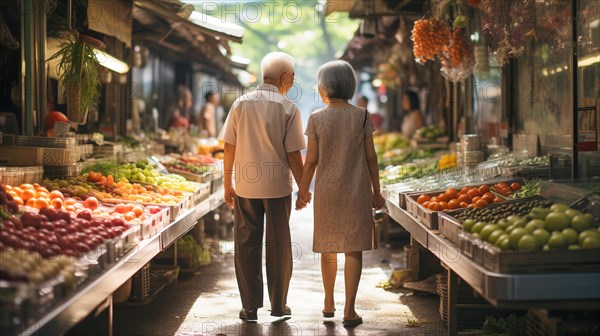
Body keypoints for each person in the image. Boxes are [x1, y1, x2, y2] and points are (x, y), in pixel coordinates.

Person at [296, 60, 385, 328]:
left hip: (327, 193)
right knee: (353, 249)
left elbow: (310, 161)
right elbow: (371, 157)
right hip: (357, 191)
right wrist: (376, 192)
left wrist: (302, 191)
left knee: (328, 247)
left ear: (325, 88)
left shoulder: (316, 118)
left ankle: (327, 302)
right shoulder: (362, 116)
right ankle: (349, 310)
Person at [219, 51, 306, 322]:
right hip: (278, 188)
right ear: (283, 78)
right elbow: (293, 155)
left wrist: (227, 184)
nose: (292, 81)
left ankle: (249, 307)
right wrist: (303, 188)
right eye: (292, 77)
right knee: (279, 246)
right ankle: (279, 306)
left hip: (245, 187)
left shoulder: (241, 104)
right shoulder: (288, 108)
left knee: (246, 244)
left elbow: (229, 147)